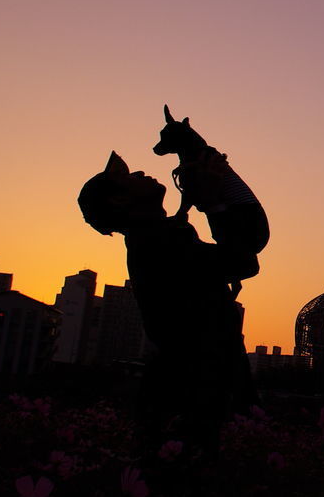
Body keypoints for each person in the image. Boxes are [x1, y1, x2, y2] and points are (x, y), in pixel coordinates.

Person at [78, 144, 263, 462]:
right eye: (129, 177)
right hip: (197, 387)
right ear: (120, 200)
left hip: (190, 382)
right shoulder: (160, 241)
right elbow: (243, 262)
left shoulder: (154, 237)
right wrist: (214, 203)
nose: (139, 172)